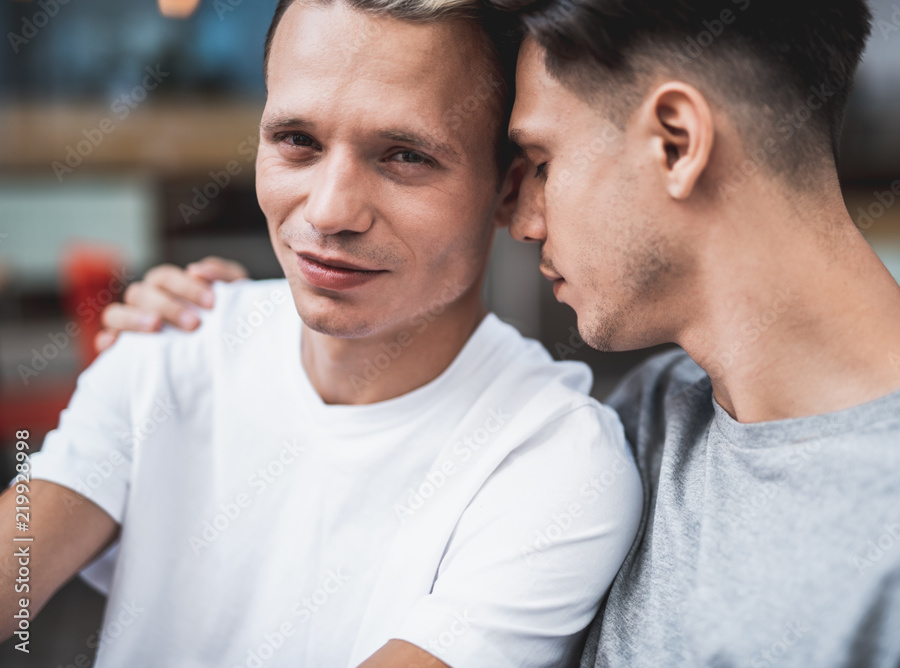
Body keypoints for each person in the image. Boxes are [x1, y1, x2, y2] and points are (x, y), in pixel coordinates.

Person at [113, 0, 900, 666]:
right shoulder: (646, 425)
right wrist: (218, 349)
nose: (521, 217)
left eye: (540, 163)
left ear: (676, 141)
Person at [0, 2, 644, 667]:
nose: (330, 210)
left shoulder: (552, 461)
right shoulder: (171, 339)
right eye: (297, 141)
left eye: (405, 156)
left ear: (508, 192)